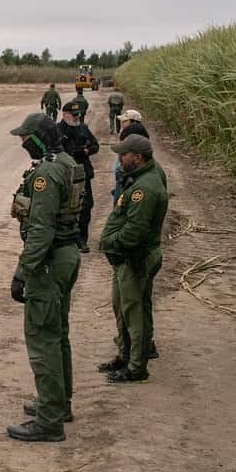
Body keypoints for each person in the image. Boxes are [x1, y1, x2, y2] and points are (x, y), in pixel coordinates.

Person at [5, 113, 84, 442]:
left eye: (26, 137)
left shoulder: (47, 172)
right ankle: (57, 404)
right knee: (58, 332)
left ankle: (50, 420)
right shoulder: (66, 162)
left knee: (43, 337)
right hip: (66, 255)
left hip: (49, 262)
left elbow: (41, 228)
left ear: (38, 138)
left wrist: (23, 271)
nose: (22, 143)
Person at [99, 134, 168, 383]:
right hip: (127, 257)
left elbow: (135, 230)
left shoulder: (144, 188)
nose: (120, 159)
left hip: (135, 256)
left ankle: (137, 367)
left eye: (124, 155)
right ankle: (125, 356)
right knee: (123, 308)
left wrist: (111, 243)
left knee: (134, 312)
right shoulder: (140, 177)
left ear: (137, 158)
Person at [59, 102, 99, 253]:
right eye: (73, 115)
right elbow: (49, 149)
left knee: (86, 206)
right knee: (66, 208)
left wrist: (86, 151)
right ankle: (67, 240)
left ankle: (82, 239)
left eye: (78, 115)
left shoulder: (83, 128)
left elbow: (95, 145)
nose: (76, 118)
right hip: (65, 175)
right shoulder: (57, 130)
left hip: (82, 174)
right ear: (64, 114)